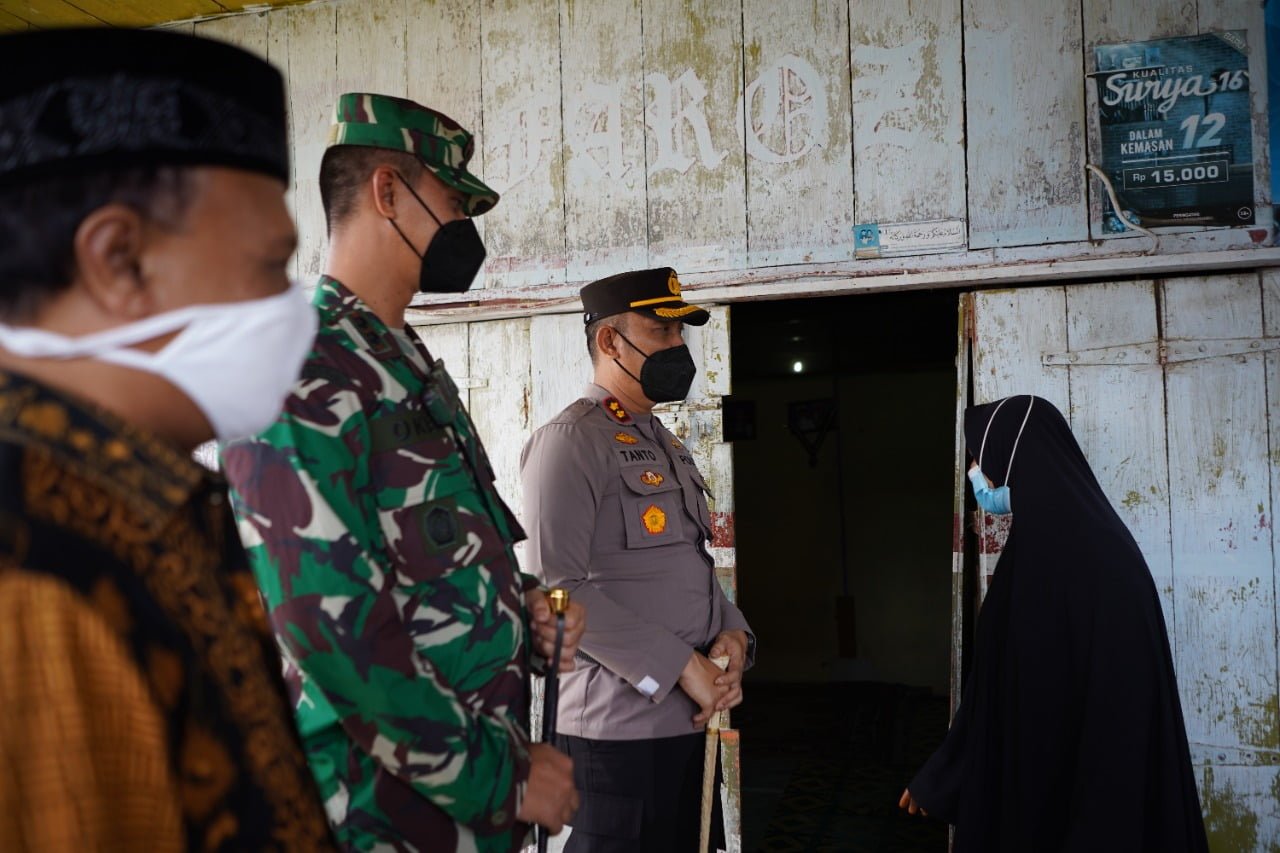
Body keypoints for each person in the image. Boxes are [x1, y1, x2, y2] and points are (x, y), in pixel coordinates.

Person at [0, 27, 336, 851]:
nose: (289, 310)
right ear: (119, 259)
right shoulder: (33, 568)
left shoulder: (134, 498)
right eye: (269, 267)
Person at [220, 92, 583, 852]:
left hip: (456, 814)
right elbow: (331, 628)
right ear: (389, 191)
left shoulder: (402, 360)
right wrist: (505, 776)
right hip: (375, 819)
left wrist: (522, 611)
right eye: (453, 200)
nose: (464, 227)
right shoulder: (296, 369)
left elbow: (430, 556)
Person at [899, 395, 1209, 851]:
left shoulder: (1068, 563)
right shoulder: (1083, 548)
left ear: (1017, 460)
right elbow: (1008, 687)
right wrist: (946, 773)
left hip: (1081, 795)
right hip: (1084, 787)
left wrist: (951, 773)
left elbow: (1030, 696)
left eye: (982, 465)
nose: (979, 481)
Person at [520, 268, 756, 852]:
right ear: (609, 342)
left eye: (681, 335)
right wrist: (682, 665)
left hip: (688, 722)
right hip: (616, 736)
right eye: (661, 332)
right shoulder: (570, 440)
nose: (679, 348)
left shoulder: (664, 443)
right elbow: (557, 591)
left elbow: (687, 564)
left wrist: (733, 635)